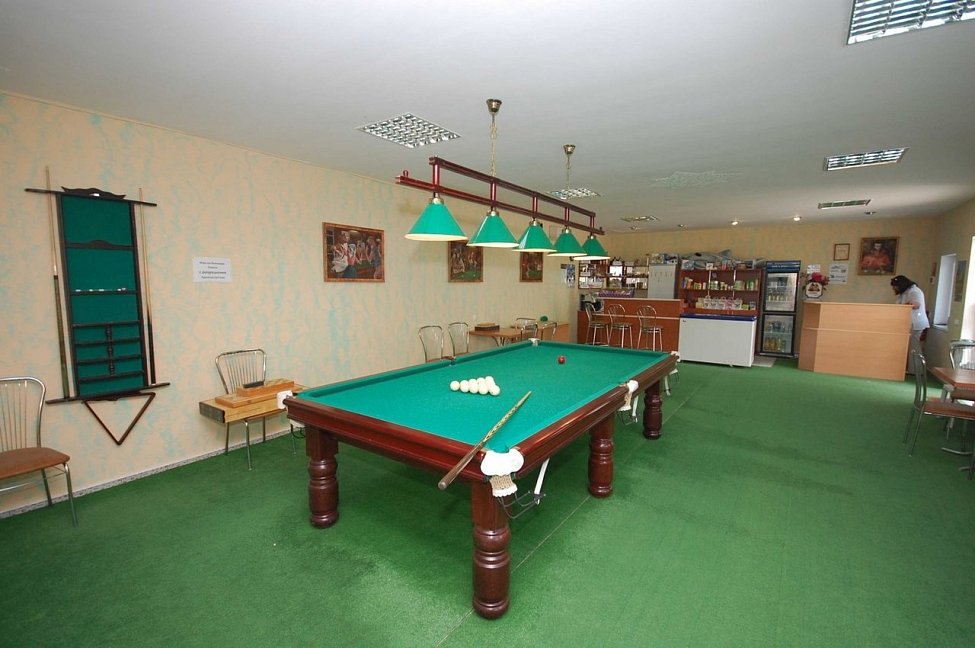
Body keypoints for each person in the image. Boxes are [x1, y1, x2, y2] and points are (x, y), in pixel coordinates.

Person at [891, 275, 929, 371]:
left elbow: (916, 304)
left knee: (914, 347)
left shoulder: (914, 291)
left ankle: (916, 370)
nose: (894, 289)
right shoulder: (905, 293)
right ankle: (913, 369)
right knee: (913, 346)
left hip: (916, 323)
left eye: (895, 286)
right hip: (911, 323)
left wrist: (907, 304)